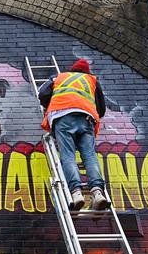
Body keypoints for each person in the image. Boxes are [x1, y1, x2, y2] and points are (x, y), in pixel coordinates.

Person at [38, 58, 108, 210]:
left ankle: (76, 193)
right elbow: (101, 109)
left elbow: (42, 93)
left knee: (68, 155)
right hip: (86, 119)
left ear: (72, 69)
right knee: (89, 156)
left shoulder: (59, 77)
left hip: (62, 117)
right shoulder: (91, 80)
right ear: (86, 72)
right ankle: (97, 192)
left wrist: (49, 105)